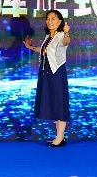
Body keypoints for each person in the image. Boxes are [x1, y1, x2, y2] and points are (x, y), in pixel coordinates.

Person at [24, 10, 72, 146]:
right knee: (54, 103)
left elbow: (66, 42)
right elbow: (44, 50)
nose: (50, 21)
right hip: (46, 73)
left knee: (60, 103)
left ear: (60, 21)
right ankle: (59, 136)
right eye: (48, 19)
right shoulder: (48, 37)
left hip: (56, 72)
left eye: (53, 19)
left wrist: (67, 32)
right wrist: (30, 47)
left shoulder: (61, 35)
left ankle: (60, 137)